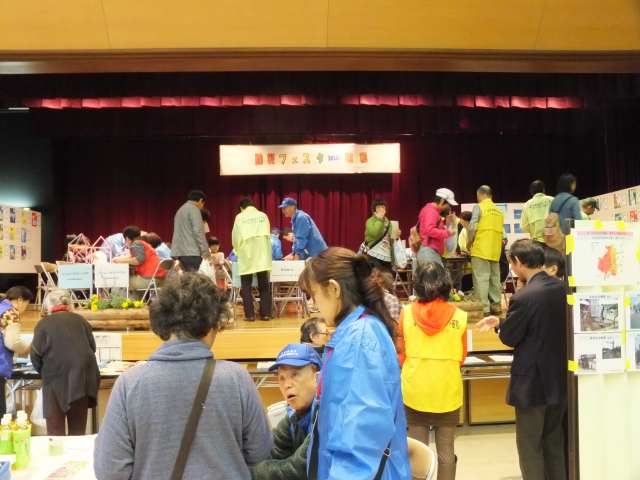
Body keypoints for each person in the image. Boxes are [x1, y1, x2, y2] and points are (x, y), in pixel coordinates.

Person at [94, 273, 272, 480]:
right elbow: (261, 454)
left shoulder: (129, 384)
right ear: (213, 323)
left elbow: (110, 470)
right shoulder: (237, 379)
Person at [298, 247, 411, 479]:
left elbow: (360, 440)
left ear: (334, 289)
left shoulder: (359, 339)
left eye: (314, 294)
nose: (314, 304)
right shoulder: (357, 330)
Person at [476, 240, 567, 480]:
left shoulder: (524, 296)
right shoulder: (563, 289)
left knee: (530, 446)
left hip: (532, 384)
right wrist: (500, 321)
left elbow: (510, 337)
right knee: (554, 441)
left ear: (518, 262)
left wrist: (501, 326)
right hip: (560, 379)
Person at [396, 262, 467, 480]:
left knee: (418, 451)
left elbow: (400, 353)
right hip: (447, 392)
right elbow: (462, 357)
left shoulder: (406, 314)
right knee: (446, 452)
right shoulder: (460, 317)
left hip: (415, 391)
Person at [30, 289, 100, 436]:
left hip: (55, 381)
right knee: (77, 433)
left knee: (56, 434)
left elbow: (35, 356)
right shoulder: (81, 321)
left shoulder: (43, 324)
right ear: (69, 304)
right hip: (81, 380)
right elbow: (92, 348)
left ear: (48, 305)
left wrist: (44, 372)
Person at [251, 343, 321, 480]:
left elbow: (297, 470)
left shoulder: (327, 415)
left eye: (295, 375)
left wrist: (248, 471)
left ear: (317, 377)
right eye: (281, 378)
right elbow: (268, 452)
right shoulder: (293, 415)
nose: (287, 385)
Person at [232, 198, 273, 321]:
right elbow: (268, 235)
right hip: (262, 254)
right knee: (264, 285)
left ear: (241, 208)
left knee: (246, 286)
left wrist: (237, 250)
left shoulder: (239, 217)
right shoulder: (263, 216)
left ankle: (250, 315)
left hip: (247, 254)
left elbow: (235, 237)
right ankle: (266, 314)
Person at [468, 185, 505, 316]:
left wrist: (469, 243)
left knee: (481, 279)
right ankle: (496, 306)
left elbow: (472, 227)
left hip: (481, 249)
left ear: (480, 194)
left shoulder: (479, 207)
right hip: (495, 250)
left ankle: (484, 309)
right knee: (495, 279)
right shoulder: (499, 211)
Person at [0, 286, 32, 415]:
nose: (25, 310)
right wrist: (29, 348)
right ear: (20, 300)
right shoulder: (10, 313)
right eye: (26, 305)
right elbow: (13, 342)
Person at [113, 226, 167, 294]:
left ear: (127, 238)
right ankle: (138, 300)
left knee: (121, 282)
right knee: (134, 280)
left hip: (150, 280)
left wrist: (118, 260)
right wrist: (119, 259)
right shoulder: (143, 243)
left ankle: (124, 300)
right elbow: (133, 257)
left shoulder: (136, 244)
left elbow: (138, 260)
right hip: (161, 280)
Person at [415, 188, 458, 269]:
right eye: (448, 205)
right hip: (429, 253)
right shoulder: (432, 212)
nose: (448, 207)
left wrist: (447, 224)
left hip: (429, 252)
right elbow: (429, 230)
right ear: (442, 200)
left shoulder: (429, 210)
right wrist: (448, 232)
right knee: (434, 277)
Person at [171, 189, 211, 272]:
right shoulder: (194, 210)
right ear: (200, 200)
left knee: (187, 277)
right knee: (193, 278)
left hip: (180, 253)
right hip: (192, 253)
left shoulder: (180, 210)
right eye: (203, 204)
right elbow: (198, 232)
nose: (202, 207)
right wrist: (205, 252)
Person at [363, 199, 393, 272]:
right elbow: (375, 233)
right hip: (374, 254)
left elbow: (391, 239)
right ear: (374, 210)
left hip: (386, 256)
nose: (381, 209)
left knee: (387, 277)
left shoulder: (389, 223)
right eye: (378, 207)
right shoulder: (370, 221)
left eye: (383, 207)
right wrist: (379, 219)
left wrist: (397, 236)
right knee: (376, 276)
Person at [457, 211, 474, 292]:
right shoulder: (464, 230)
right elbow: (462, 246)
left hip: (474, 259)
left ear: (466, 221)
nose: (460, 222)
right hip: (468, 260)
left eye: (461, 220)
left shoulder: (473, 230)